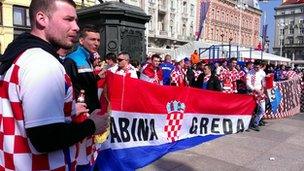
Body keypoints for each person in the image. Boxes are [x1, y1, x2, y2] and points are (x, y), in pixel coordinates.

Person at [0, 0, 109, 170]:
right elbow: (44, 139)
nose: (76, 27)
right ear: (42, 19)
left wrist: (70, 110)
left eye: (76, 20)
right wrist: (92, 125)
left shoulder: (21, 54)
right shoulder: (43, 63)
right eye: (68, 19)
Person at [64, 24, 101, 113]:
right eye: (92, 39)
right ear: (81, 40)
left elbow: (85, 83)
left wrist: (98, 77)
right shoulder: (71, 59)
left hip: (89, 109)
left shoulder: (88, 58)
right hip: (80, 112)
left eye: (98, 40)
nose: (96, 43)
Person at [246, 60, 266, 131]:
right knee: (251, 109)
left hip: (260, 93)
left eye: (257, 67)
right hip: (252, 92)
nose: (256, 68)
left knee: (262, 109)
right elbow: (248, 83)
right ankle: (249, 124)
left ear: (260, 66)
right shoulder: (249, 73)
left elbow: (263, 82)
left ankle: (255, 123)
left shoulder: (262, 72)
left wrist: (262, 89)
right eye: (255, 67)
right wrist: (254, 89)